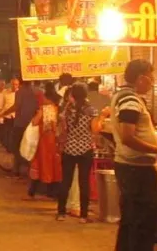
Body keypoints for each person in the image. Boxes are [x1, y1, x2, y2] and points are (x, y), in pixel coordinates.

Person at [104, 58, 157, 251]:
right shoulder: (129, 100)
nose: (153, 83)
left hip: (131, 168)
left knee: (130, 221)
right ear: (141, 78)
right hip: (136, 171)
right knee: (142, 224)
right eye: (151, 78)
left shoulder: (123, 96)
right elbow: (128, 136)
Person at [55, 84, 99, 222]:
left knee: (66, 181)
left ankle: (61, 212)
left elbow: (62, 128)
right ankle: (84, 216)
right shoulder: (91, 110)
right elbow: (95, 129)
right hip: (85, 149)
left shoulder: (67, 110)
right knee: (84, 182)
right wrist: (102, 116)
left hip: (69, 148)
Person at [26, 83, 62, 202]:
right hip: (55, 140)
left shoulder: (44, 109)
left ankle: (36, 191)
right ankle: (53, 192)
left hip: (45, 141)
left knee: (41, 164)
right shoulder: (58, 109)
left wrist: (36, 115)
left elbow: (35, 122)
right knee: (54, 165)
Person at [10, 78, 38, 178]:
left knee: (17, 147)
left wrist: (3, 113)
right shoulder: (38, 91)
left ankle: (17, 171)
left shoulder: (19, 92)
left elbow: (16, 106)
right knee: (32, 147)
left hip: (20, 124)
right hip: (32, 125)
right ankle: (29, 170)